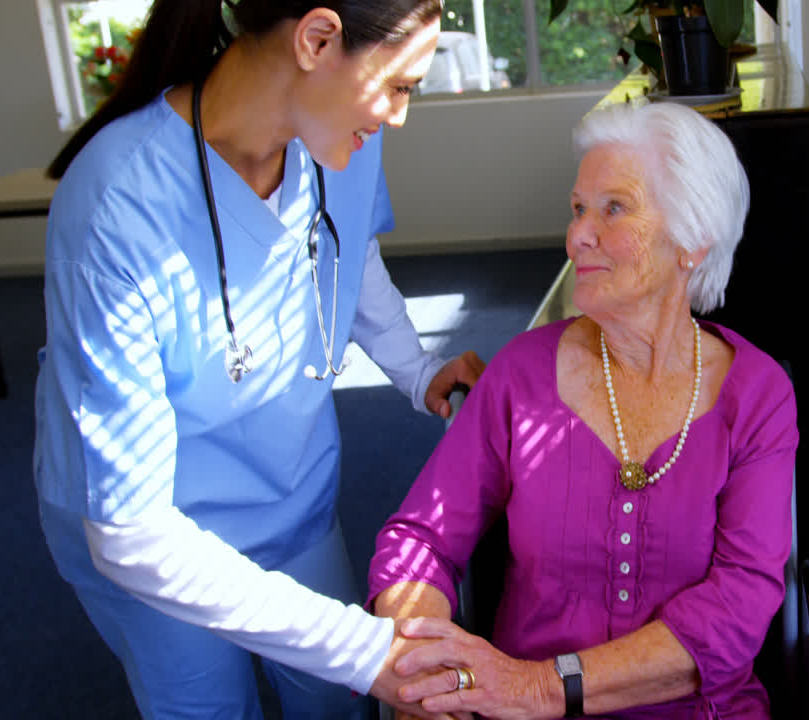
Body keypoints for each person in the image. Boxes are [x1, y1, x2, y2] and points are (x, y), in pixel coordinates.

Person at [34, 1, 484, 717]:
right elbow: (130, 533)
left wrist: (417, 369)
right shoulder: (118, 203)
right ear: (318, 40)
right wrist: (364, 650)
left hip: (288, 495)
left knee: (333, 702)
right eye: (398, 86)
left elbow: (347, 252)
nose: (400, 115)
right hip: (161, 544)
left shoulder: (342, 140)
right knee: (213, 706)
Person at [368, 101, 799, 719]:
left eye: (613, 208)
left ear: (693, 240)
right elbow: (420, 539)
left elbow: (739, 605)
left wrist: (538, 687)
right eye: (577, 209)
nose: (577, 237)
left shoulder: (755, 395)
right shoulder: (522, 375)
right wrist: (426, 661)